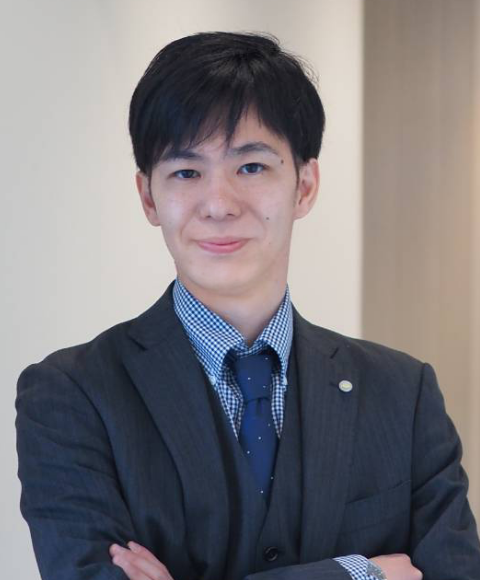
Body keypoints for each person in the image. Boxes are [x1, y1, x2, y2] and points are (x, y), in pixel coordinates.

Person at [15, 31, 480, 580]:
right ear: (148, 197)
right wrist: (358, 573)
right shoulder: (72, 396)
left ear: (305, 185)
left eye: (252, 167)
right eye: (186, 172)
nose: (219, 204)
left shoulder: (403, 394)